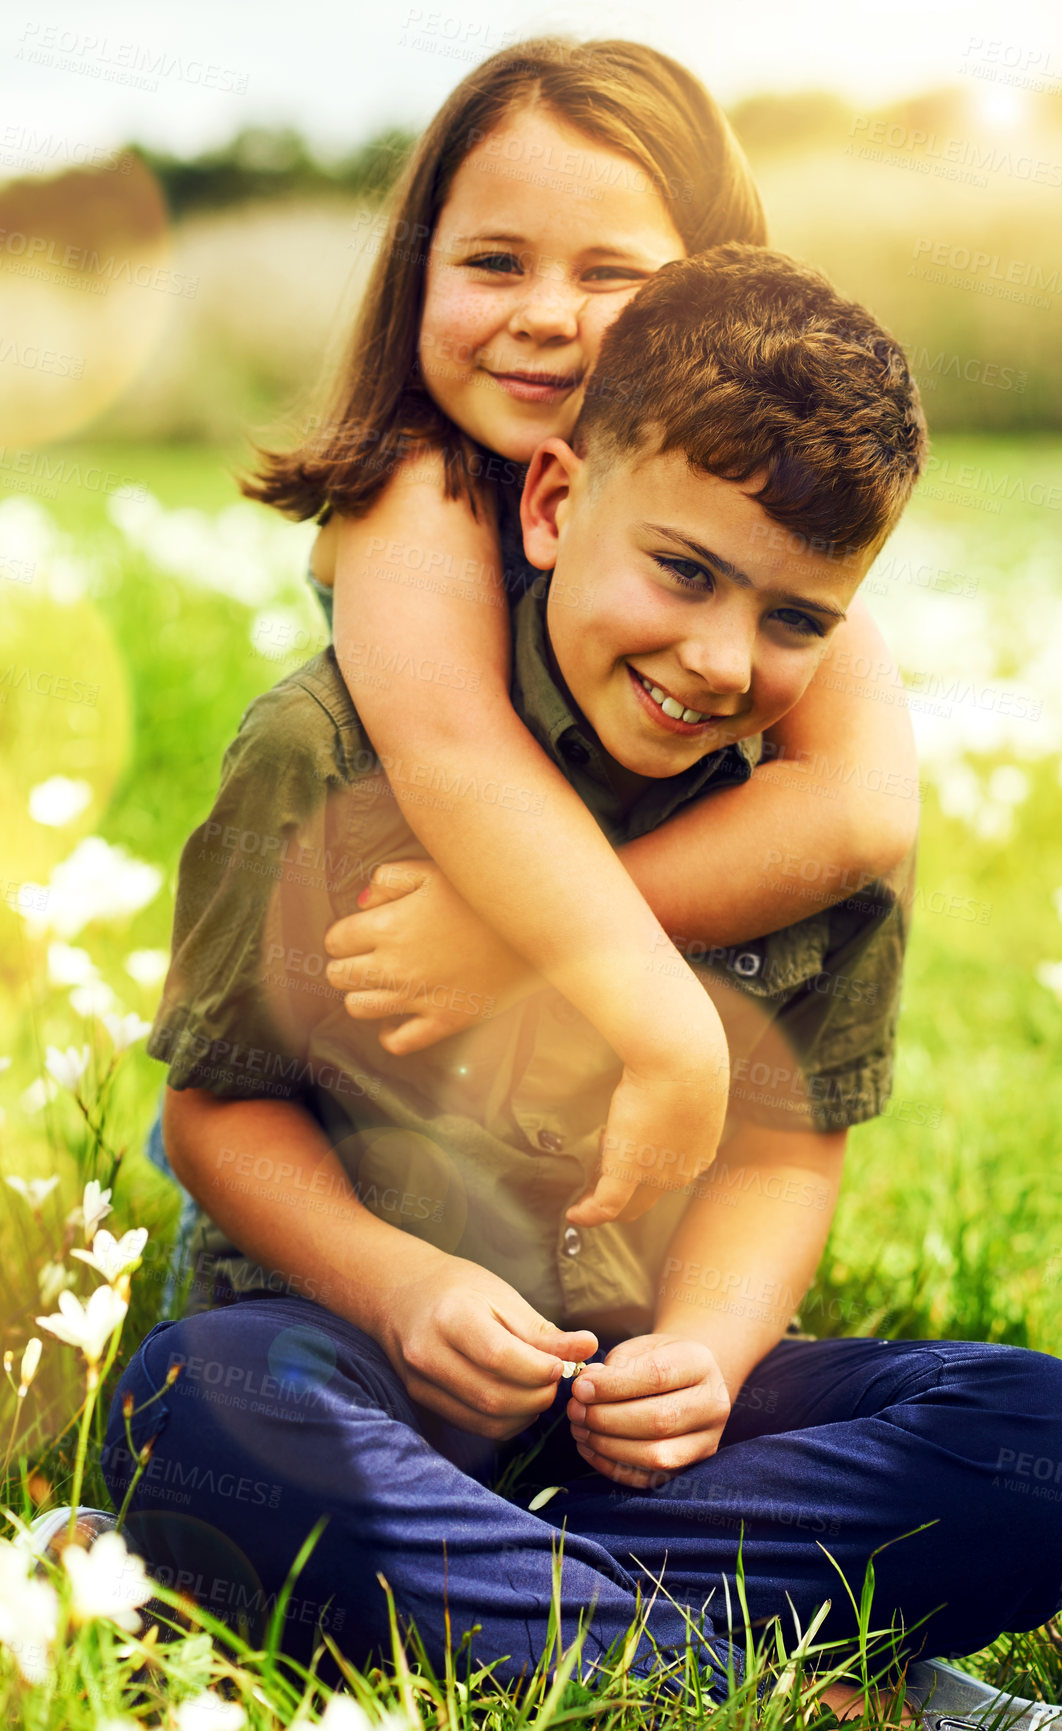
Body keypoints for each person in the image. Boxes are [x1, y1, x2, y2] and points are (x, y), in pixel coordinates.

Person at [87, 248, 1062, 1718]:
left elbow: (782, 1152)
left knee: (1043, 1438)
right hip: (350, 1363)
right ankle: (787, 1687)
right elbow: (213, 1121)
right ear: (556, 499)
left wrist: (700, 1357)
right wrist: (404, 1290)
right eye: (684, 571)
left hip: (634, 1419)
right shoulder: (325, 752)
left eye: (794, 621)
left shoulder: (797, 836)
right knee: (202, 1405)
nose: (717, 660)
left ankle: (468, 1597)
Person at [233, 36, 921, 1231]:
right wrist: (654, 1009)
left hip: (545, 1106)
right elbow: (455, 751)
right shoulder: (415, 487)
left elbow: (861, 809)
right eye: (494, 262)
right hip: (362, 1101)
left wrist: (517, 943)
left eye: (612, 274)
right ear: (418, 273)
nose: (546, 318)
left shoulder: (741, 537)